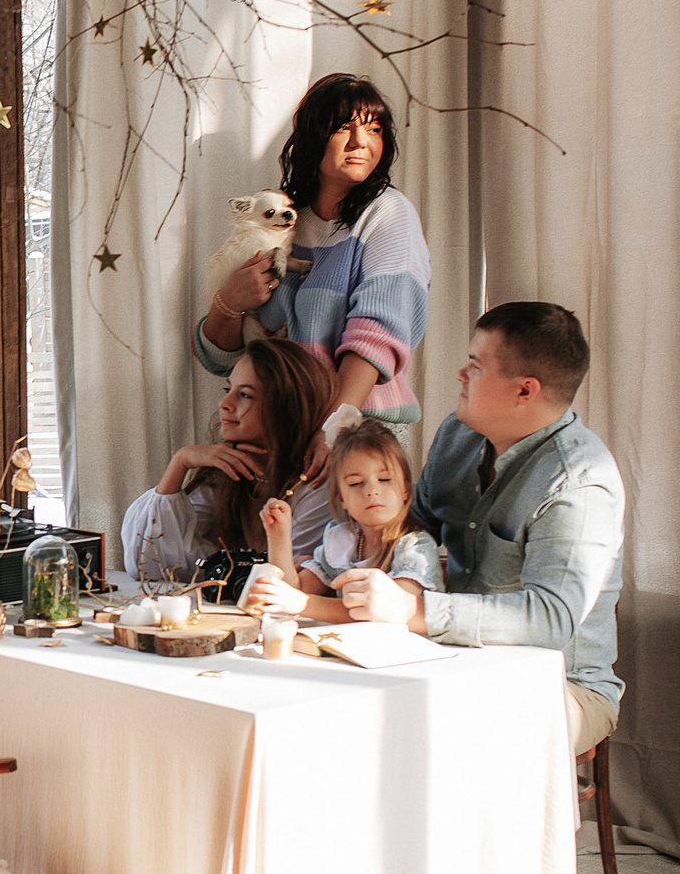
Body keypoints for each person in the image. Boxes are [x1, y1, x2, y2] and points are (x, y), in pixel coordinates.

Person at [325, 302, 626, 757]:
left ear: (525, 391)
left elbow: (550, 619)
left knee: (451, 735)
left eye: (475, 366)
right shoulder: (456, 436)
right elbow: (410, 530)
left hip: (560, 683)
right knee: (329, 707)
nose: (459, 376)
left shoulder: (580, 481)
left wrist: (413, 608)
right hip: (446, 659)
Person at [196, 74, 431, 552]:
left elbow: (377, 334)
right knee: (267, 571)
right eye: (345, 127)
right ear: (312, 134)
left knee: (343, 570)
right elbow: (227, 358)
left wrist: (332, 426)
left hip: (357, 429)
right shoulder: (283, 217)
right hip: (280, 426)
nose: (362, 142)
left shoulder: (388, 214)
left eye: (376, 129)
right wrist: (229, 301)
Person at [118, 339, 330, 582]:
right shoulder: (226, 471)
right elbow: (150, 565)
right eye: (227, 390)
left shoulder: (317, 484)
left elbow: (285, 581)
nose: (224, 404)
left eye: (245, 395)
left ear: (286, 407)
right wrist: (180, 462)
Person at [248, 417, 444, 625]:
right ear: (342, 498)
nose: (371, 491)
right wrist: (278, 537)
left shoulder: (415, 548)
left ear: (405, 488)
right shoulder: (343, 541)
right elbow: (292, 593)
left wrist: (303, 603)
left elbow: (384, 614)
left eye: (384, 479)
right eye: (356, 483)